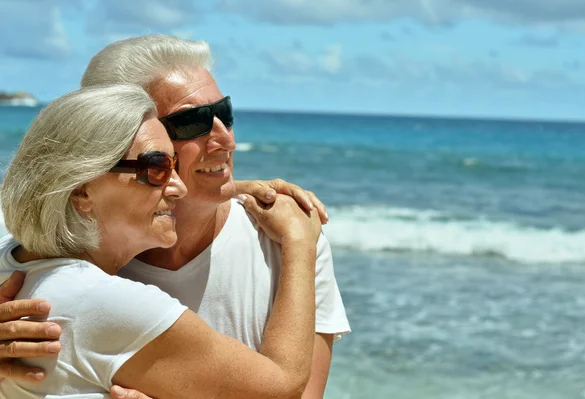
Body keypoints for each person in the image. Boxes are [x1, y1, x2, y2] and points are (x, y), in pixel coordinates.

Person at [0, 34, 350, 399]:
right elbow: (280, 387)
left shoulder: (289, 240)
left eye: (224, 114)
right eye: (191, 122)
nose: (226, 140)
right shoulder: (66, 268)